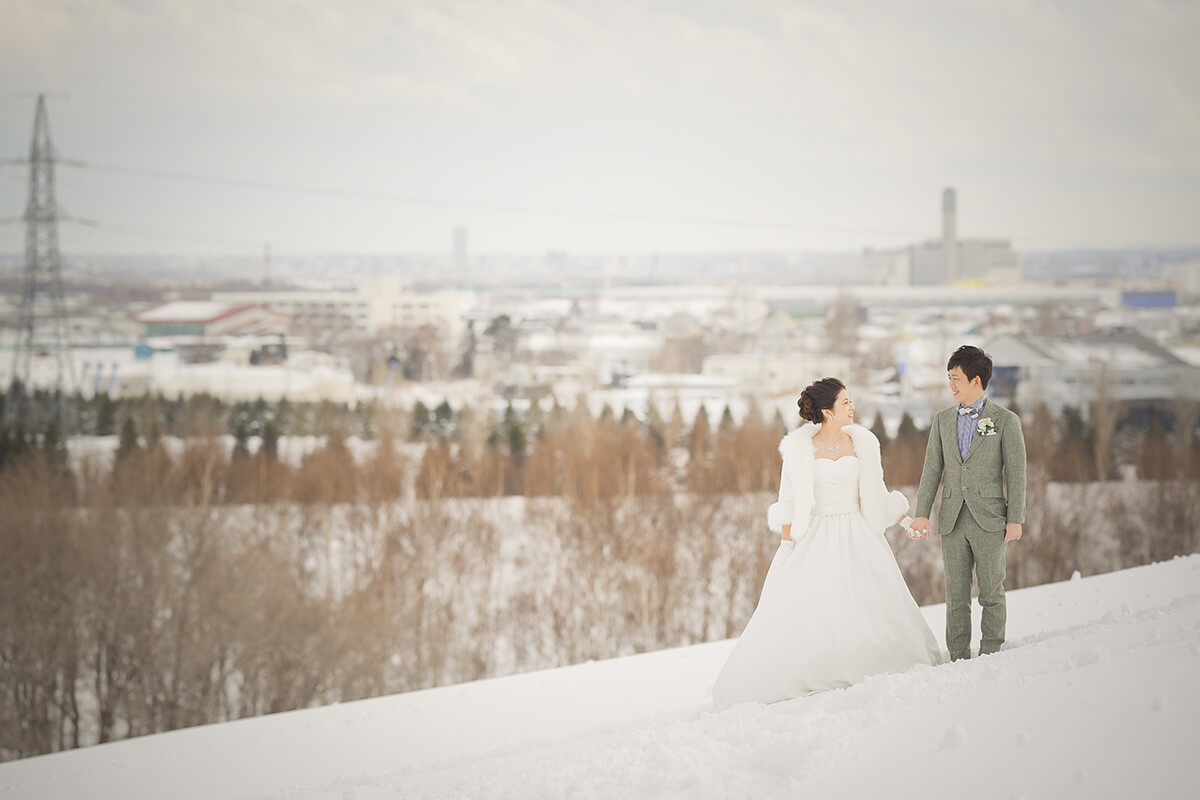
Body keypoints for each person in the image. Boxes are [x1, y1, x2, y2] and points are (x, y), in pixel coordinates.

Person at [712, 378, 940, 710]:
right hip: (816, 535)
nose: (852, 408)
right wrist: (787, 549)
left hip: (859, 533)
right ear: (827, 411)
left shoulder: (863, 443)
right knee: (815, 606)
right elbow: (787, 501)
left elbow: (876, 493)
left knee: (866, 601)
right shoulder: (798, 450)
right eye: (845, 402)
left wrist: (905, 521)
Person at [909, 345, 1027, 662]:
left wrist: (1015, 517)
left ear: (976, 380)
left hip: (990, 519)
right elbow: (932, 470)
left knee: (991, 591)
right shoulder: (942, 420)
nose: (951, 385)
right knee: (956, 595)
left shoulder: (1005, 421)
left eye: (956, 378)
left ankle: (991, 653)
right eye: (949, 377)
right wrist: (921, 514)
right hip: (951, 519)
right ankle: (958, 656)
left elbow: (1016, 473)